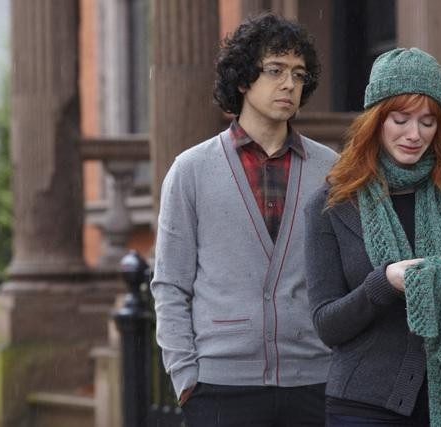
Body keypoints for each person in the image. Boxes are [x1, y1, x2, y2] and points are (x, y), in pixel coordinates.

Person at [150, 12, 338, 427]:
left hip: (315, 385)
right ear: (242, 80)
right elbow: (170, 284)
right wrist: (185, 378)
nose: (289, 83)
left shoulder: (332, 172)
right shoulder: (191, 170)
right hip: (220, 390)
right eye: (274, 70)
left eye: (298, 73)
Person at [304, 47, 441, 426]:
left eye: (428, 122)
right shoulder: (333, 206)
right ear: (376, 121)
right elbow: (327, 325)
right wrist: (383, 283)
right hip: (366, 408)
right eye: (400, 119)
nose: (415, 134)